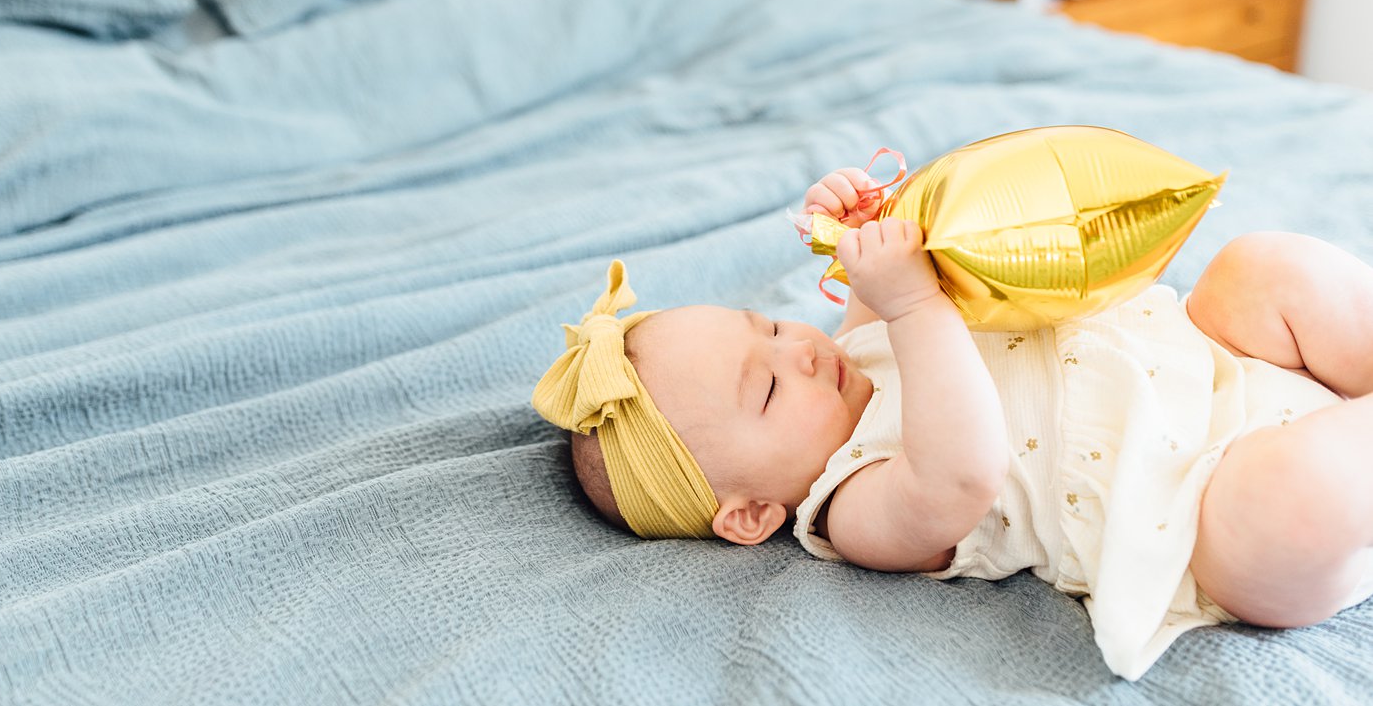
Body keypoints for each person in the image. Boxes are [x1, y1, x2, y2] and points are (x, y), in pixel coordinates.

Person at [531, 165, 1373, 680]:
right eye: (766, 392)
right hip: (1199, 515)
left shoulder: (856, 348)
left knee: (1258, 268)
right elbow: (963, 470)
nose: (800, 352)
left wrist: (863, 224)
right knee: (1288, 495)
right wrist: (909, 302)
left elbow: (900, 274)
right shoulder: (851, 506)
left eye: (772, 327)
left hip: (1213, 361)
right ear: (750, 514)